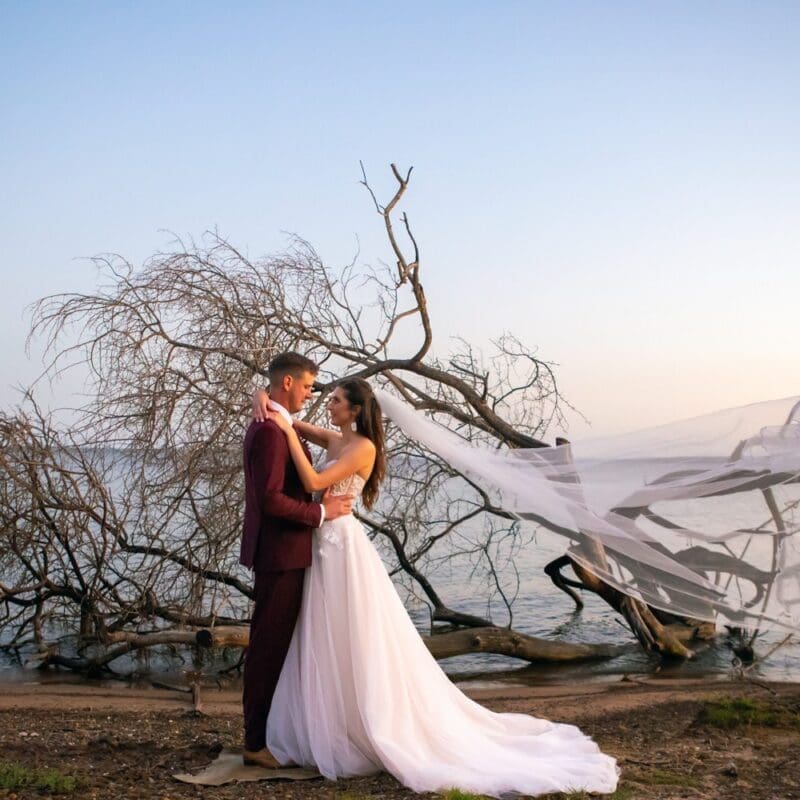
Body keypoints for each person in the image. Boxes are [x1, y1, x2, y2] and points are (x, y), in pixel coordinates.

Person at [253, 379, 619, 797]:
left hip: (341, 549)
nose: (328, 404)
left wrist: (284, 432)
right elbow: (295, 423)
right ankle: (332, 719)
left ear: (354, 410)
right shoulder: (339, 438)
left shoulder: (362, 448)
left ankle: (364, 723)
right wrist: (266, 402)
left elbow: (315, 481)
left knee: (350, 633)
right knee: (324, 634)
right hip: (325, 545)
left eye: (335, 400)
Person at [240, 352, 354, 769]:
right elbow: (271, 499)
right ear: (287, 383)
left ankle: (273, 731)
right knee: (268, 647)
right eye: (308, 385)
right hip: (280, 552)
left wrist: (262, 397)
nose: (312, 392)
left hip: (283, 550)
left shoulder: (276, 422)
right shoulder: (271, 432)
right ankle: (254, 742)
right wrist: (321, 513)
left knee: (277, 645)